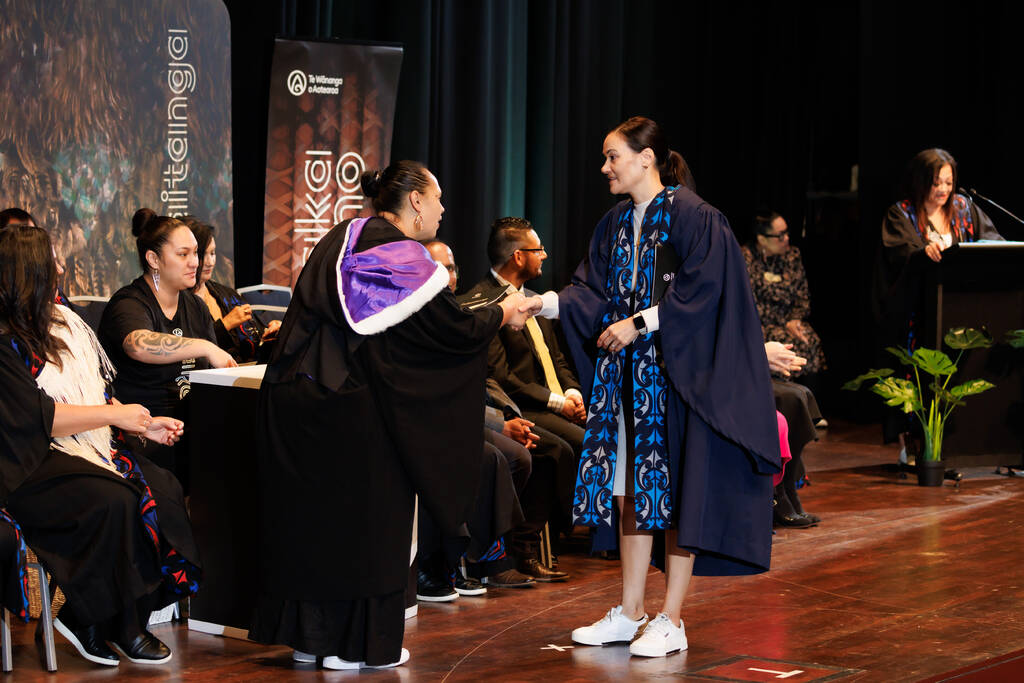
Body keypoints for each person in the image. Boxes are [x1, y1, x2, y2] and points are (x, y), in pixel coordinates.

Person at [248, 161, 531, 670]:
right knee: (369, 524)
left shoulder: (342, 236)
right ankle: (355, 646)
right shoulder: (401, 255)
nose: (444, 209)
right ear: (416, 201)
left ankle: (312, 640)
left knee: (313, 526)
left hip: (294, 398)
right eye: (438, 198)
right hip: (347, 410)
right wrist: (500, 314)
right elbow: (443, 332)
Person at [525, 117, 780, 658]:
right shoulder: (615, 223)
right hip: (625, 382)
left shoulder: (696, 218)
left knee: (678, 495)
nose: (604, 167)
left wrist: (640, 323)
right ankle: (631, 610)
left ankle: (672, 618)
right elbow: (589, 291)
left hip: (677, 381)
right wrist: (541, 304)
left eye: (613, 156)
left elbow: (704, 295)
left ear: (646, 159)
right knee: (632, 494)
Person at [0, 224, 201, 666]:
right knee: (115, 500)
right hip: (26, 464)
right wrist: (115, 416)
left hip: (81, 447)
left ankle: (108, 619)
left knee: (164, 489)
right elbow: (43, 418)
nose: (60, 266)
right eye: (50, 261)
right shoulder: (4, 340)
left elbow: (90, 393)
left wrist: (141, 424)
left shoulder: (63, 322)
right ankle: (102, 621)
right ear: (25, 271)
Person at [875, 148, 1003, 449]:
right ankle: (917, 444)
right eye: (936, 183)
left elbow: (992, 241)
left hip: (963, 311)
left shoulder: (963, 208)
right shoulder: (901, 213)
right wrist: (922, 254)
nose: (944, 190)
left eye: (948, 182)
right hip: (919, 317)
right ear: (920, 182)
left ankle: (966, 440)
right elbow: (899, 253)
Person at [98, 209, 235, 484]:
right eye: (183, 254)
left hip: (190, 427)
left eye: (195, 253)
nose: (194, 262)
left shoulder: (194, 305)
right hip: (142, 432)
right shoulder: (130, 303)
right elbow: (138, 344)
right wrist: (205, 347)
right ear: (153, 259)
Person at [743, 211, 827, 410]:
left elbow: (802, 294)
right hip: (759, 324)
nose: (786, 239)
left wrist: (795, 319)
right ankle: (777, 406)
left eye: (787, 233)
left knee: (810, 341)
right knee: (779, 347)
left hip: (787, 321)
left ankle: (811, 409)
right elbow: (745, 301)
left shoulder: (792, 256)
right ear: (762, 239)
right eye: (779, 235)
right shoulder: (744, 257)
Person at [185, 217, 280, 363]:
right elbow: (186, 350)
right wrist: (225, 325)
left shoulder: (227, 295)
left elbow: (254, 339)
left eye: (213, 253)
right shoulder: (176, 300)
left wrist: (270, 333)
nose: (210, 262)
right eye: (203, 255)